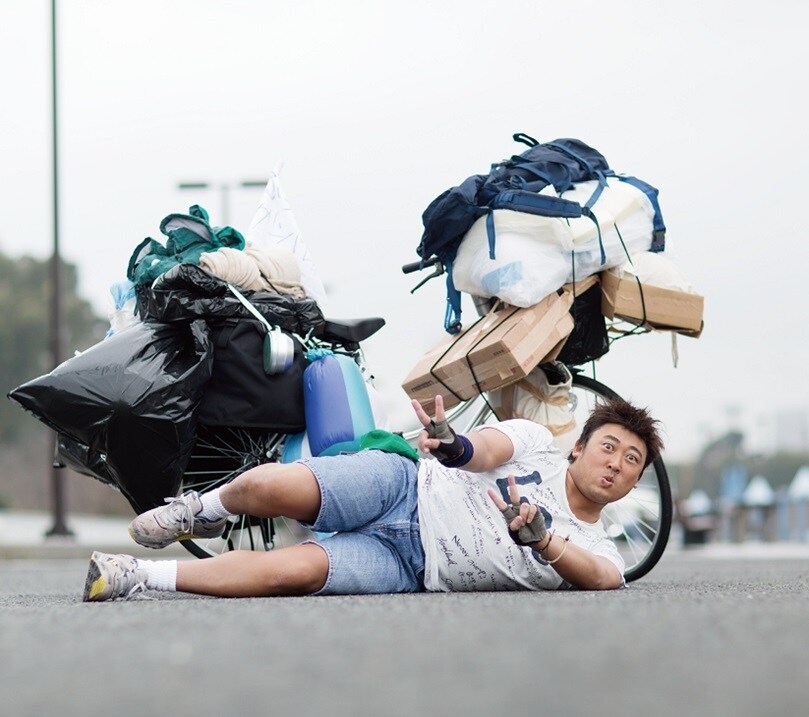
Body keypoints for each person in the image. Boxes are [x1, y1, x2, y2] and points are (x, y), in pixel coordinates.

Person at [83, 393, 663, 601]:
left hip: (411, 565)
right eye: (609, 447)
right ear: (578, 447)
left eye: (631, 461)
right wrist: (452, 444)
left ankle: (135, 575)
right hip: (406, 484)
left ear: (635, 483)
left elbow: (600, 578)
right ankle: (203, 511)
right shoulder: (537, 442)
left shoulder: (598, 547)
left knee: (291, 573)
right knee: (269, 486)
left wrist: (542, 541)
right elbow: (483, 449)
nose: (615, 463)